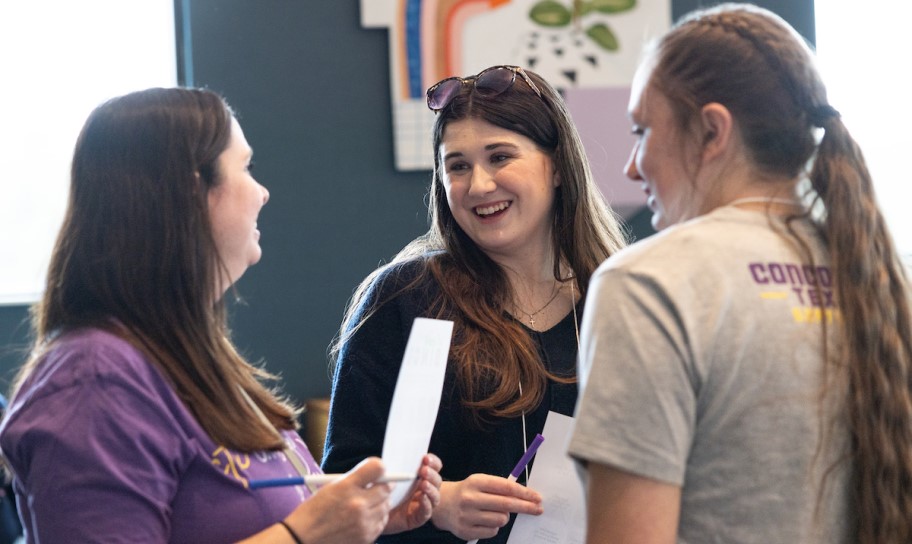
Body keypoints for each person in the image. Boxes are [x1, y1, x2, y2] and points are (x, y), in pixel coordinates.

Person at [0, 87, 442, 544]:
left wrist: (363, 515)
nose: (262, 193)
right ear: (193, 191)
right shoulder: (93, 380)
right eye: (245, 168)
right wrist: (305, 534)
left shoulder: (179, 355)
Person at [569, 4, 912, 544]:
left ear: (712, 131)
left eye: (642, 130)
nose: (632, 167)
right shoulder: (879, 278)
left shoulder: (647, 285)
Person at [322, 65, 626, 543]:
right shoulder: (403, 299)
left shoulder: (619, 299)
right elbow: (340, 489)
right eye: (458, 166)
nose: (479, 185)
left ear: (557, 166)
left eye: (500, 157)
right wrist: (438, 503)